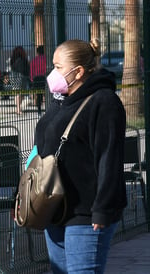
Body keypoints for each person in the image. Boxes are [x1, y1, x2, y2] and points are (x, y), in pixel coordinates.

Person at [32, 39, 126, 274]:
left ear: (79, 71)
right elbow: (41, 151)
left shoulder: (104, 102)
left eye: (58, 67)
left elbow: (109, 157)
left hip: (86, 212)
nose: (52, 73)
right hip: (54, 207)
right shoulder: (61, 101)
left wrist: (103, 208)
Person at [10, 46, 30, 114]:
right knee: (20, 93)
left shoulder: (13, 59)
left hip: (13, 76)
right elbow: (26, 69)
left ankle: (18, 108)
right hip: (21, 76)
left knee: (17, 93)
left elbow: (12, 67)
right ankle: (18, 108)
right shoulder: (23, 59)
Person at [30, 45, 47, 116]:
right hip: (44, 77)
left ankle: (39, 110)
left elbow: (31, 71)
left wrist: (32, 79)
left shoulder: (34, 60)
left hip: (36, 78)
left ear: (37, 52)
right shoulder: (46, 59)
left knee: (39, 95)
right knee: (48, 93)